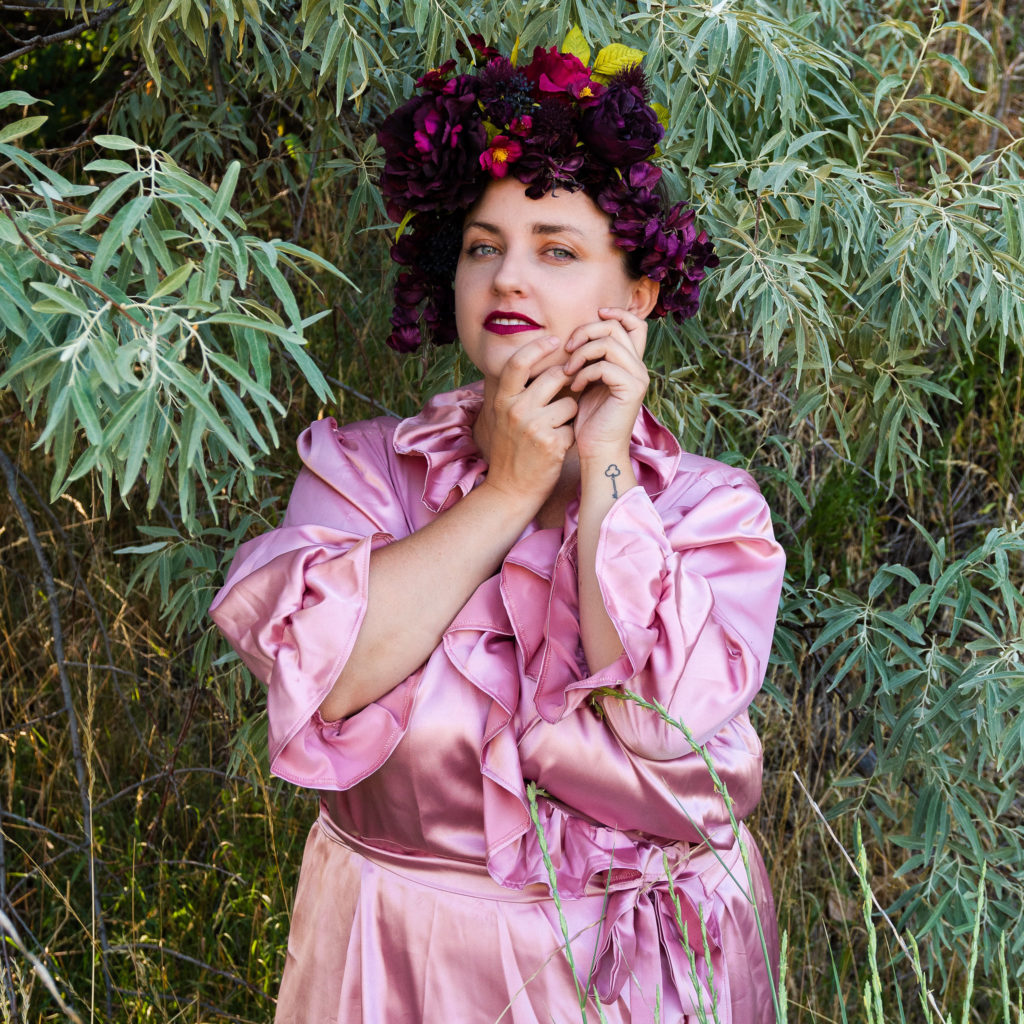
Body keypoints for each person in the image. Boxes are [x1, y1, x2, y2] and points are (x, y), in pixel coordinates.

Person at [210, 36, 786, 1024]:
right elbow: (330, 676)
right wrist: (507, 490)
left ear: (636, 295)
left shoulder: (709, 510)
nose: (509, 278)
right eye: (484, 247)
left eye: (556, 249)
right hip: (403, 960)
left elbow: (657, 725)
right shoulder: (360, 474)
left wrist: (603, 461)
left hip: (649, 973)